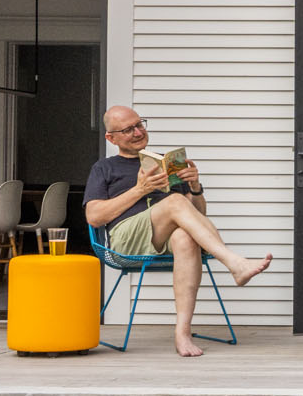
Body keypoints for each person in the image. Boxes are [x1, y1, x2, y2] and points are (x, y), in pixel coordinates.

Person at [85, 106, 272, 356]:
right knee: (174, 201)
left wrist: (194, 186)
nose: (138, 132)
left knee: (185, 236)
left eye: (140, 124)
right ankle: (234, 263)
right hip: (126, 239)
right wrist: (140, 190)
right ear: (111, 138)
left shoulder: (166, 162)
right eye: (128, 129)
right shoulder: (104, 168)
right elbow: (94, 217)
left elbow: (197, 216)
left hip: (164, 236)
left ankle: (182, 333)